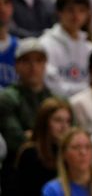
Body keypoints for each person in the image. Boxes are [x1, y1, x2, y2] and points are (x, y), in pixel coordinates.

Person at [0, 37, 53, 165]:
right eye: (26, 61)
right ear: (16, 66)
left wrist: (32, 134)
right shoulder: (7, 98)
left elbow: (69, 138)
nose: (33, 66)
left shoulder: (55, 99)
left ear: (45, 65)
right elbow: (16, 141)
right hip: (18, 167)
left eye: (39, 61)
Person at [41, 0, 92, 97]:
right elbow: (52, 86)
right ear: (59, 12)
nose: (76, 16)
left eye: (81, 10)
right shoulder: (45, 44)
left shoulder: (91, 48)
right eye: (70, 10)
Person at [14, 97, 74, 196]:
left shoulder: (70, 152)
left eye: (68, 121)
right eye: (58, 120)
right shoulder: (30, 154)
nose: (64, 126)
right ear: (44, 123)